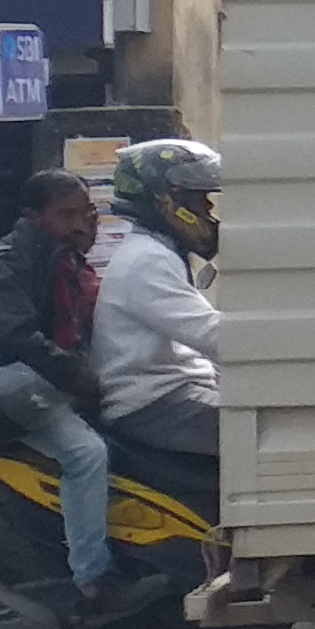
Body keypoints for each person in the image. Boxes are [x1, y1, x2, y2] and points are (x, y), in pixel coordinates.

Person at [0, 172, 156, 619]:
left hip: (27, 383)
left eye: (86, 213)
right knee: (86, 454)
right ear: (34, 217)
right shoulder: (1, 266)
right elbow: (18, 337)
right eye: (66, 214)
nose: (80, 224)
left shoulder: (63, 263)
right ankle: (93, 580)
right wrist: (81, 379)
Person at [87, 139, 226, 461]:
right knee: (262, 432)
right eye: (198, 198)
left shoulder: (157, 251)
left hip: (173, 392)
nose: (207, 209)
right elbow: (215, 336)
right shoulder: (147, 260)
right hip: (153, 404)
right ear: (165, 199)